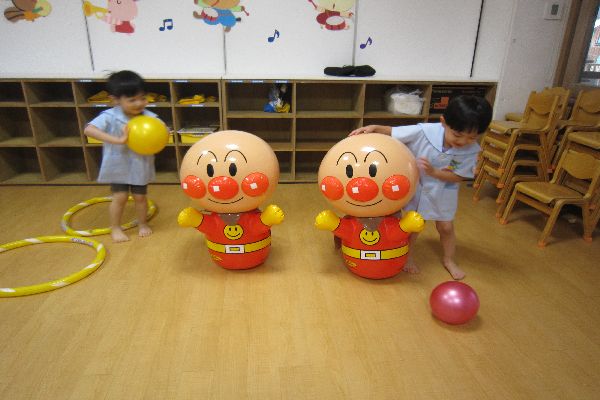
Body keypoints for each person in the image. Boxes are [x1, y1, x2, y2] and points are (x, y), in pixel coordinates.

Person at [349, 95, 492, 280]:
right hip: (416, 190)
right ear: (443, 122)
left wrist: (434, 172)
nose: (463, 141)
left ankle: (449, 260)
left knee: (446, 227)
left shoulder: (471, 150)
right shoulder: (424, 132)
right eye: (457, 134)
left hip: (444, 193)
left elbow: (459, 176)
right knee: (413, 226)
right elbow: (394, 132)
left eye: (472, 137)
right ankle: (408, 257)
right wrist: (374, 128)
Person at [84, 70, 162, 243]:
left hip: (140, 166)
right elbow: (89, 130)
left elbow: (161, 131)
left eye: (143, 98)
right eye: (132, 100)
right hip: (118, 166)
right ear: (115, 100)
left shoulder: (150, 117)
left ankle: (142, 224)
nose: (139, 103)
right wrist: (117, 140)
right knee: (120, 197)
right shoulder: (110, 116)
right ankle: (115, 228)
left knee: (140, 197)